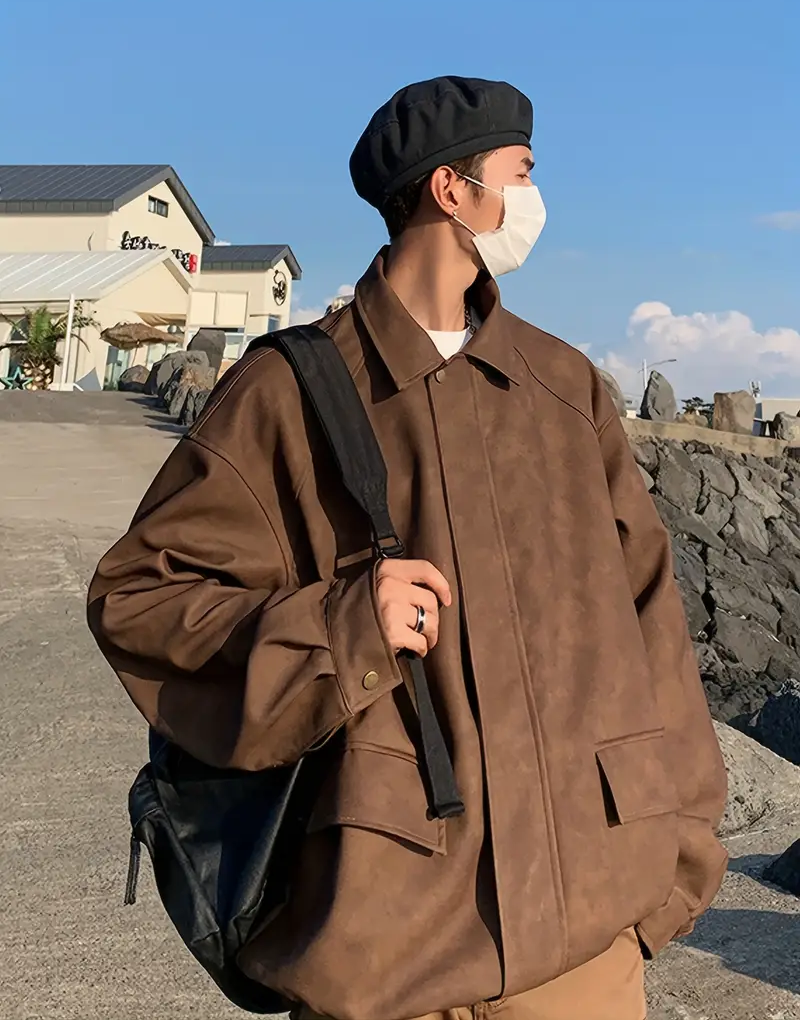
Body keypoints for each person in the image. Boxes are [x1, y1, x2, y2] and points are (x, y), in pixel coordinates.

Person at [87, 76, 728, 1020]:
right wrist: (342, 628)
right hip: (389, 954)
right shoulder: (288, 392)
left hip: (589, 948)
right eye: (522, 172)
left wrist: (679, 860)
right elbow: (140, 597)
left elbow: (652, 624)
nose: (535, 198)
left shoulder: (565, 390)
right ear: (451, 189)